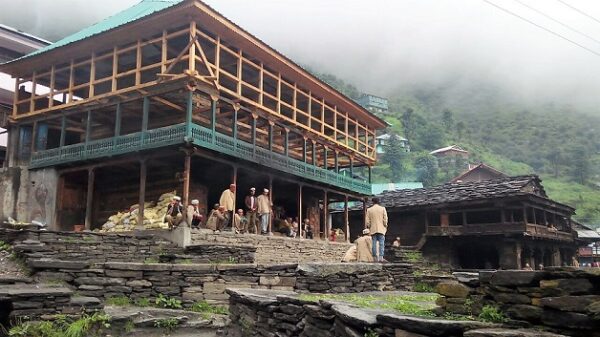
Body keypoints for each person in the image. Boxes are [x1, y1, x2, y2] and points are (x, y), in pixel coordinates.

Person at [366, 197, 388, 262]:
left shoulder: (369, 210)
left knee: (374, 243)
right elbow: (385, 219)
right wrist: (385, 225)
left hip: (373, 228)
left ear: (373, 202)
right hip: (381, 228)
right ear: (378, 201)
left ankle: (375, 257)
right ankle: (381, 257)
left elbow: (367, 221)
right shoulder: (382, 209)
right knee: (381, 243)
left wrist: (369, 226)